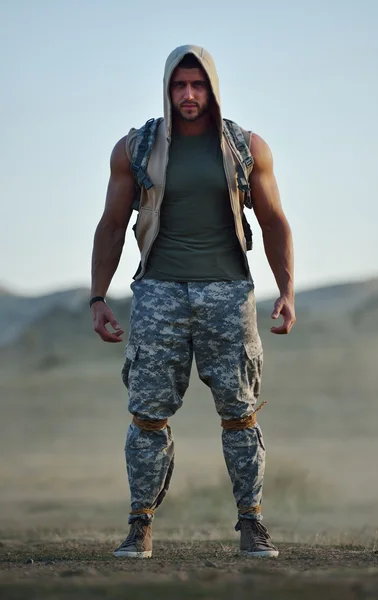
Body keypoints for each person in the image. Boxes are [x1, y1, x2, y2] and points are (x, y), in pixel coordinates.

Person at [90, 45, 295, 559]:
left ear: (212, 89)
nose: (188, 95)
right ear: (166, 88)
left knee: (240, 414)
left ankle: (252, 525)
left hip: (228, 292)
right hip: (158, 292)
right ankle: (140, 526)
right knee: (147, 416)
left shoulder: (245, 148)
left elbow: (273, 222)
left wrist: (287, 292)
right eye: (179, 86)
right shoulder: (137, 149)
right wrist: (98, 297)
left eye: (197, 85)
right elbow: (113, 224)